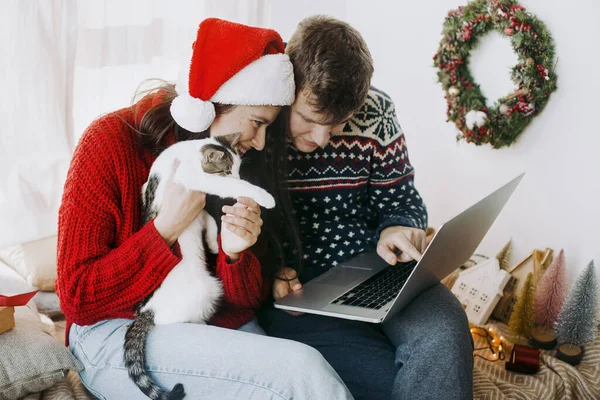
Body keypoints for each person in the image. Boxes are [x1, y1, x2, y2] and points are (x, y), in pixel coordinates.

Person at [57, 18, 352, 400]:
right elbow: (78, 299)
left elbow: (242, 304)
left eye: (269, 128)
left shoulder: (233, 162)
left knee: (300, 369)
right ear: (213, 103)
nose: (261, 143)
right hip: (117, 331)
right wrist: (164, 229)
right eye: (257, 123)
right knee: (303, 372)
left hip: (205, 323)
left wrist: (234, 255)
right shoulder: (110, 142)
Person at [259, 15, 474, 400]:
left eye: (339, 123)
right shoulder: (259, 121)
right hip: (303, 297)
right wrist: (271, 273)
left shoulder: (377, 111)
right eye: (309, 120)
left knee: (447, 332)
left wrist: (401, 227)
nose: (322, 138)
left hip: (381, 271)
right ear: (287, 88)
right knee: (390, 385)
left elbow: (403, 200)